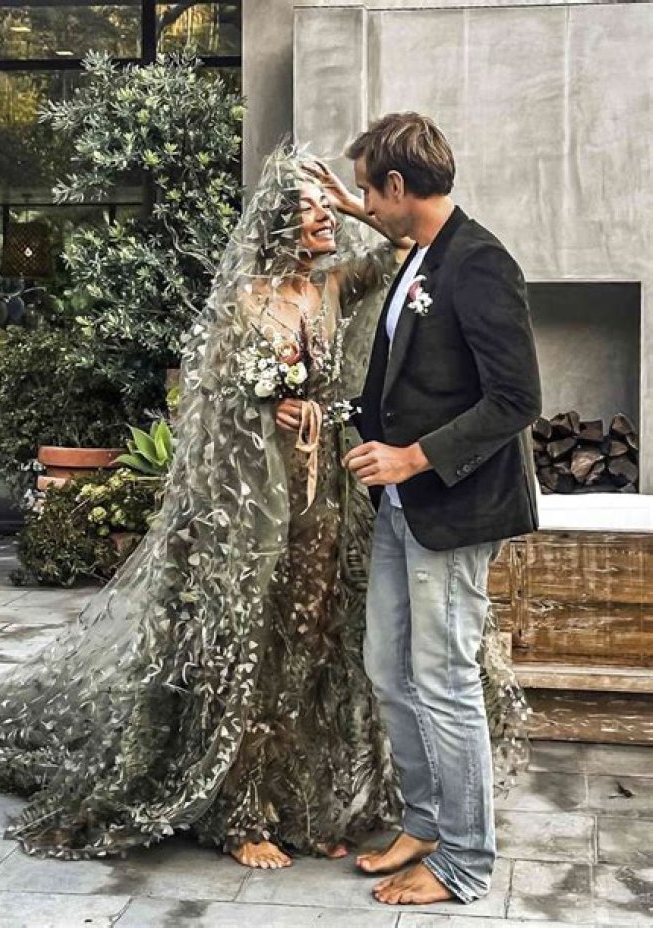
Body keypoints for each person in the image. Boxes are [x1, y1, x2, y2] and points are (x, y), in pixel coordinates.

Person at [0, 147, 405, 868]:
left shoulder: (334, 286)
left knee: (308, 649)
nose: (324, 221)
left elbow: (402, 244)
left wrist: (350, 203)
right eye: (310, 210)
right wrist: (265, 410)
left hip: (321, 505)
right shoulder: (243, 305)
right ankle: (241, 814)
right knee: (246, 649)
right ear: (277, 223)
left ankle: (300, 807)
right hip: (248, 507)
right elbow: (205, 411)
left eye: (325, 210)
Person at [322, 112, 541, 906]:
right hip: (402, 506)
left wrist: (412, 457)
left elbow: (517, 398)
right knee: (389, 666)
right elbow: (412, 360)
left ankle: (465, 861)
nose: (365, 206)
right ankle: (423, 822)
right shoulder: (422, 250)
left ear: (399, 185)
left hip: (454, 506)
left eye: (369, 192)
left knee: (444, 678)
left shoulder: (480, 264)